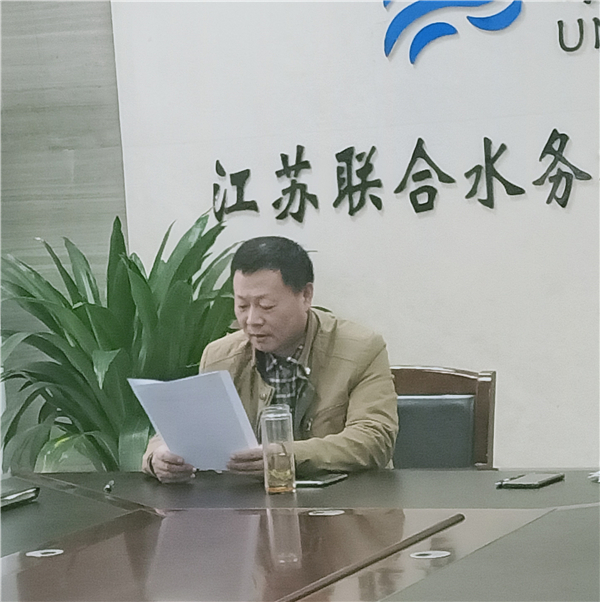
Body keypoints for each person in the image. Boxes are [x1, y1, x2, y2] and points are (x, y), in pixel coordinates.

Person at [142, 236, 398, 483]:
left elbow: (374, 439)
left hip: (344, 501)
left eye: (266, 306)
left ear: (306, 296)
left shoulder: (361, 349)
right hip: (249, 504)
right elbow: (183, 428)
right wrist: (158, 456)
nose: (252, 320)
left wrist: (285, 455)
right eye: (242, 306)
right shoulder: (220, 357)